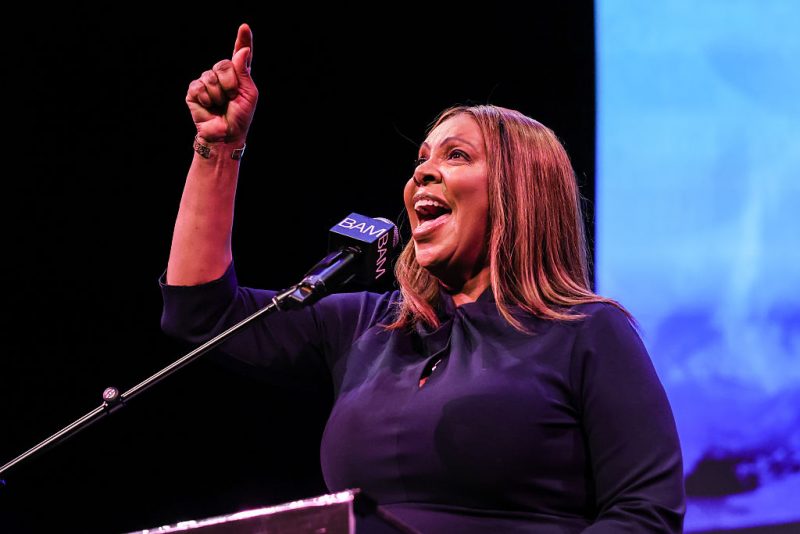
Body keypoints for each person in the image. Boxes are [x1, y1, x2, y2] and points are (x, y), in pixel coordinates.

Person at [160, 23, 686, 533]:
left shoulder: (586, 331)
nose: (422, 172)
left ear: (520, 193)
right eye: (421, 159)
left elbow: (646, 512)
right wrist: (218, 149)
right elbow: (202, 312)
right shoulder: (367, 326)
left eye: (456, 155)